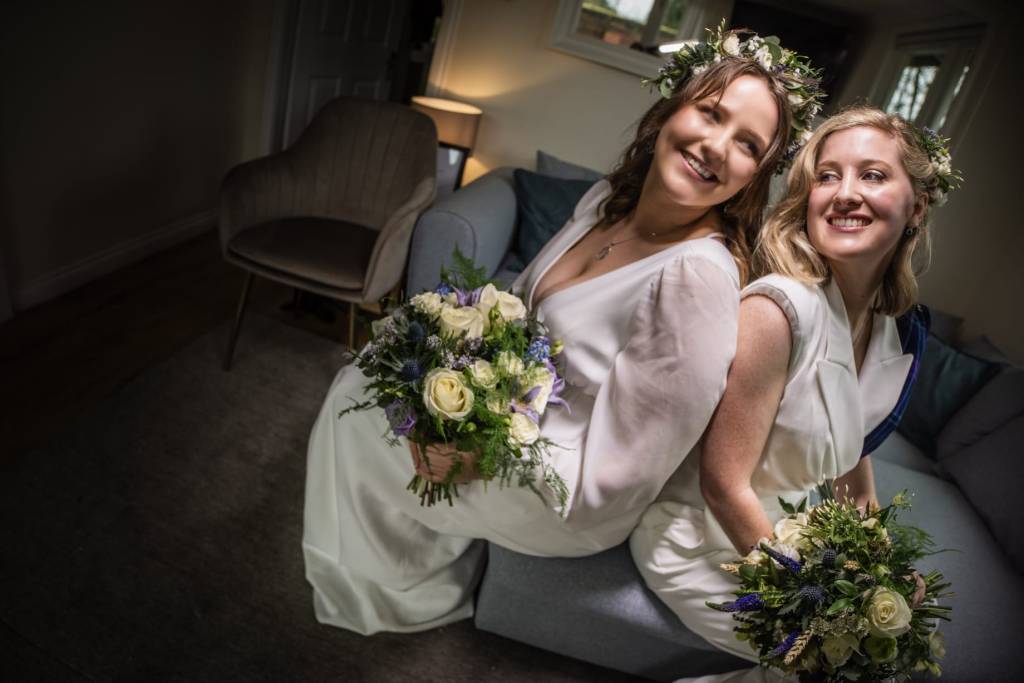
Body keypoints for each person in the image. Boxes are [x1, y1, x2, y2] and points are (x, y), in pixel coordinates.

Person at [302, 27, 823, 635]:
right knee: (370, 379)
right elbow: (519, 310)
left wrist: (481, 455)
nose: (715, 145)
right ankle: (401, 551)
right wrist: (462, 374)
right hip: (516, 419)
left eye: (747, 144)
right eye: (711, 113)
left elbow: (626, 471)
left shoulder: (696, 278)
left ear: (755, 176)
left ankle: (392, 590)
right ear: (672, 109)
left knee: (355, 411)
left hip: (568, 492)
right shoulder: (606, 202)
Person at [631, 105, 957, 681]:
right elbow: (723, 485)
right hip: (702, 538)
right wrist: (814, 601)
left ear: (917, 206)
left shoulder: (887, 328)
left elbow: (852, 467)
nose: (844, 193)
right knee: (844, 663)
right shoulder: (777, 311)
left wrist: (878, 572)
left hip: (789, 539)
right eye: (828, 176)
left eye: (873, 175)